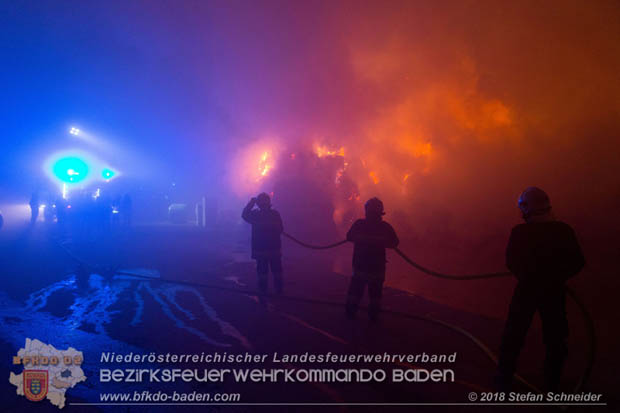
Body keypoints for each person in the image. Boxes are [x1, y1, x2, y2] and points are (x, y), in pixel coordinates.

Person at [496, 187, 585, 392]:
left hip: (526, 290)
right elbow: (578, 262)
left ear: (526, 209)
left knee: (514, 335)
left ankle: (503, 379)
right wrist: (556, 277)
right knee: (555, 338)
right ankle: (552, 384)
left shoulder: (520, 233)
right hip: (554, 291)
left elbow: (511, 262)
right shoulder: (563, 231)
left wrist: (528, 276)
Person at [345, 197, 399, 321]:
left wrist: (364, 239)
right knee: (375, 293)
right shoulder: (385, 227)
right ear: (381, 212)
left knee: (356, 291)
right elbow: (395, 242)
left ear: (366, 211)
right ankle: (373, 317)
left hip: (361, 266)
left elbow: (349, 236)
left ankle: (350, 313)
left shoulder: (360, 224)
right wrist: (379, 241)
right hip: (376, 267)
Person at [242, 193, 284, 294]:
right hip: (274, 249)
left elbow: (244, 215)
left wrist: (251, 203)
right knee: (277, 271)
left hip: (260, 250)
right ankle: (279, 290)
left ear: (259, 203)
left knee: (262, 272)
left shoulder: (255, 215)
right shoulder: (275, 214)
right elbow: (281, 229)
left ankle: (263, 290)